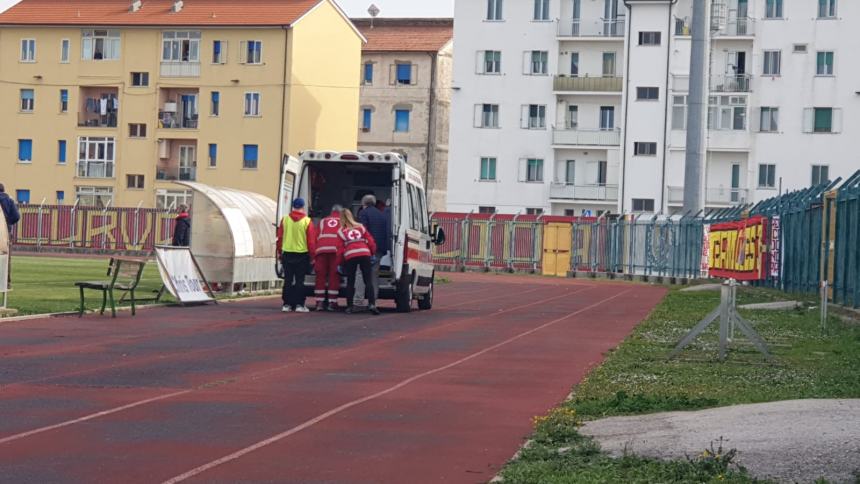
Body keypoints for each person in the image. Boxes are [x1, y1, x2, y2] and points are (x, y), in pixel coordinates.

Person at [276, 198, 317, 313]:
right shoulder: (307, 221)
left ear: (292, 206)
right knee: (300, 281)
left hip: (287, 253)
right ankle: (299, 304)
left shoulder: (285, 220)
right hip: (302, 254)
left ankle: (286, 304)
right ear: (303, 207)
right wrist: (313, 257)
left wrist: (280, 253)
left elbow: (280, 238)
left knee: (288, 280)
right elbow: (311, 242)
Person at [338, 209, 379, 315]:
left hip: (351, 255)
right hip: (364, 253)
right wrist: (372, 253)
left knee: (350, 281)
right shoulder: (360, 227)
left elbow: (340, 249)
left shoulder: (341, 231)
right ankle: (372, 304)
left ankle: (350, 306)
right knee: (368, 281)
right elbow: (371, 241)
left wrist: (340, 263)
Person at [357, 194, 389, 303]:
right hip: (378, 249)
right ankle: (373, 298)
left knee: (360, 272)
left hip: (366, 248)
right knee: (374, 273)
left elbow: (362, 231)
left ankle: (359, 298)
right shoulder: (381, 215)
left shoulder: (363, 213)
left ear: (363, 203)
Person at [313, 204, 344, 312]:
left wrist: (313, 255)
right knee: (334, 276)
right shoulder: (343, 221)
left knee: (320, 276)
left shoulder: (322, 221)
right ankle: (332, 302)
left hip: (321, 250)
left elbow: (315, 237)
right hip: (335, 251)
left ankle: (319, 303)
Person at [0, 183, 20, 289]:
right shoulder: (9, 200)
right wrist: (8, 223)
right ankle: (5, 283)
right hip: (5, 232)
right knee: (5, 257)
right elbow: (16, 216)